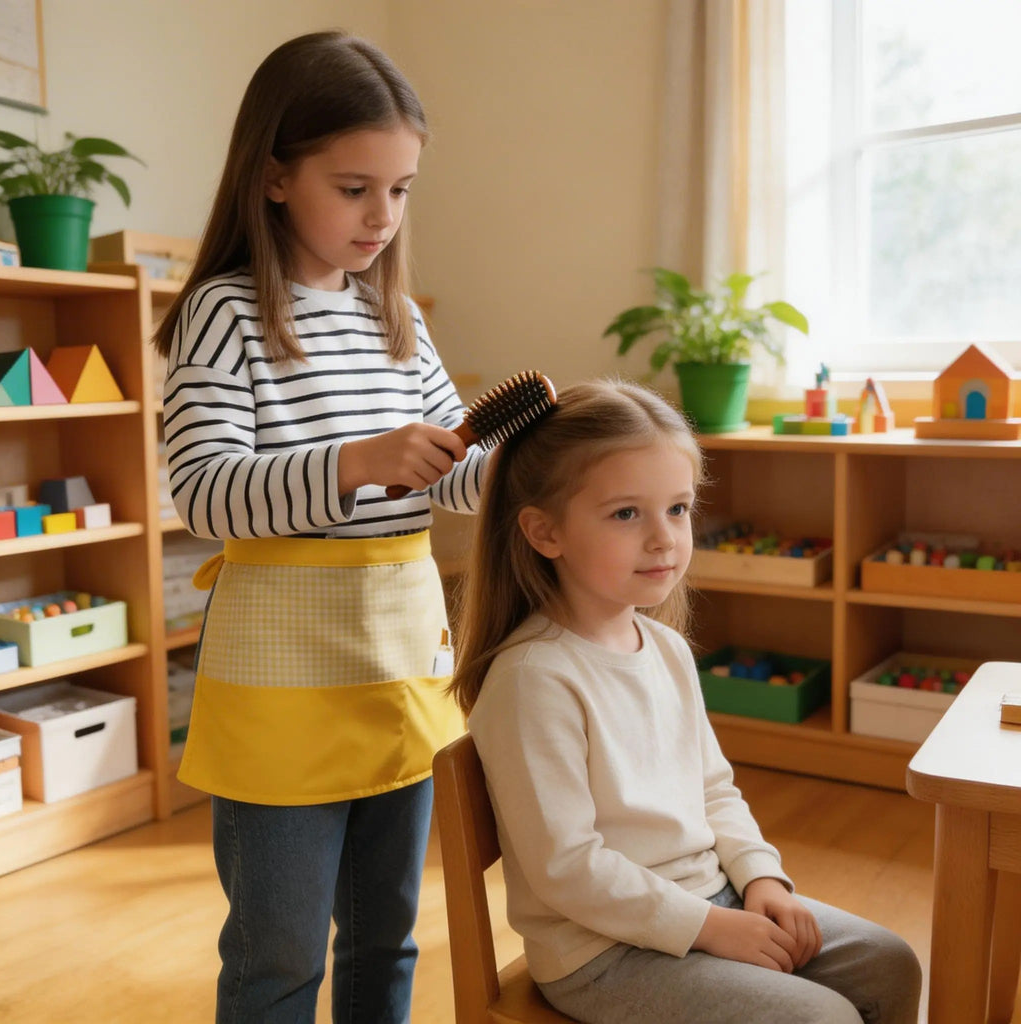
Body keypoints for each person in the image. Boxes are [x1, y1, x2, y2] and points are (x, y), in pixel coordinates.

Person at [152, 31, 483, 1024]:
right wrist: (359, 462)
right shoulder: (225, 311)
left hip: (397, 673)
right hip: (279, 686)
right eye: (354, 188)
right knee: (279, 957)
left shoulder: (399, 321)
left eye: (402, 189)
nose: (382, 216)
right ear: (273, 176)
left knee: (387, 935)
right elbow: (205, 493)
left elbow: (455, 478)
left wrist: (528, 471)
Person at [449, 379, 922, 1024]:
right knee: (816, 1018)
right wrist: (712, 927)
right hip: (602, 951)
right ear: (544, 532)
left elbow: (713, 788)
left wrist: (759, 878)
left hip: (710, 898)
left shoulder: (665, 647)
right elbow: (568, 869)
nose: (664, 538)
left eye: (678, 508)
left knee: (888, 961)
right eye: (626, 513)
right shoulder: (534, 679)